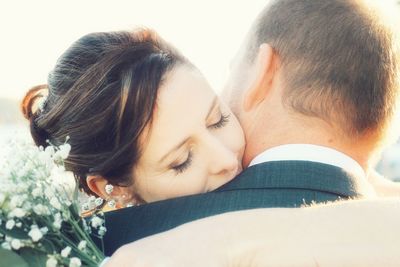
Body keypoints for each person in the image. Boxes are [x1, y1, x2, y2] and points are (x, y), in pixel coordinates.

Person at [98, 0, 400, 256]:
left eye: (217, 117)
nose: (226, 160)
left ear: (263, 72)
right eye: (180, 161)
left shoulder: (115, 245)